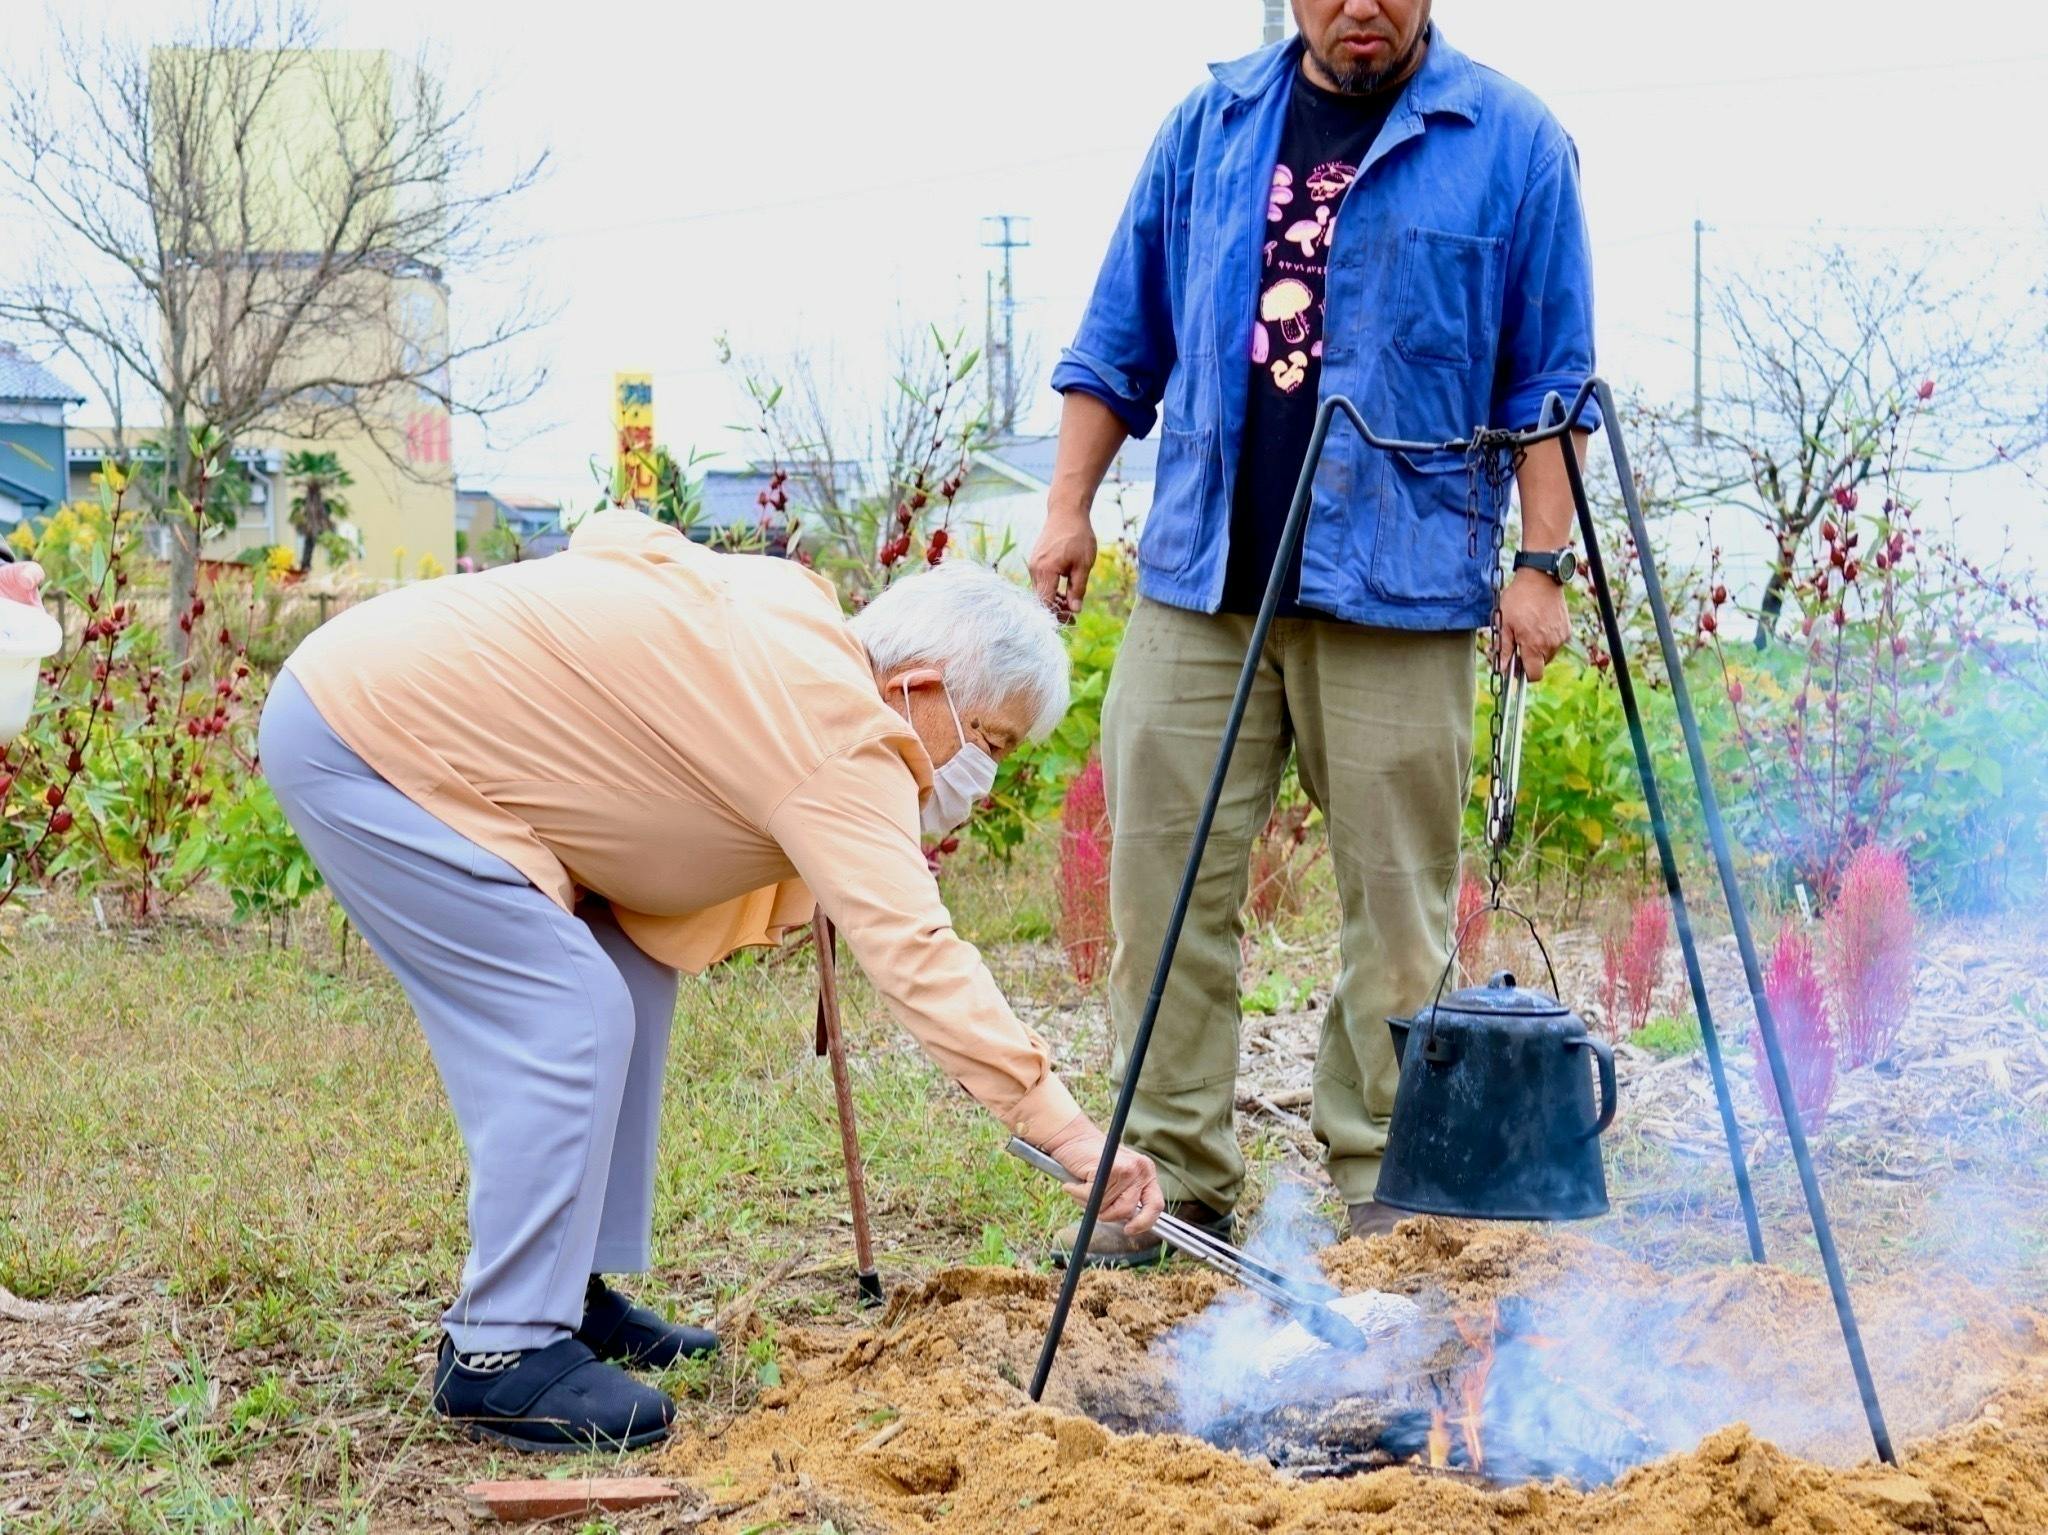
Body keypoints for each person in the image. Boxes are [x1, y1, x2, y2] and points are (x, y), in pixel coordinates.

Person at [261, 507, 1161, 1451]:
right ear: (919, 686)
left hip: (373, 701)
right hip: (370, 743)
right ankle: (502, 1351)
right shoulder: (839, 730)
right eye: (992, 739)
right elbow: (916, 951)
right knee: (570, 1011)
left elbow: (621, 539)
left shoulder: (798, 615)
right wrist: (1066, 1130)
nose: (984, 774)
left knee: (633, 971)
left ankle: (564, 1291)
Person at [1029, 0, 1594, 1264]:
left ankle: (1383, 1180)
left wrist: (1540, 563)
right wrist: (1066, 507)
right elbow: (1121, 336)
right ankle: (1167, 1179)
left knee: (1397, 913)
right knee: (1163, 897)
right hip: (1200, 581)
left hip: (1397, 585)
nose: (1361, 10)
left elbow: (1546, 378)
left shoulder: (1511, 142)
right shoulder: (1211, 125)